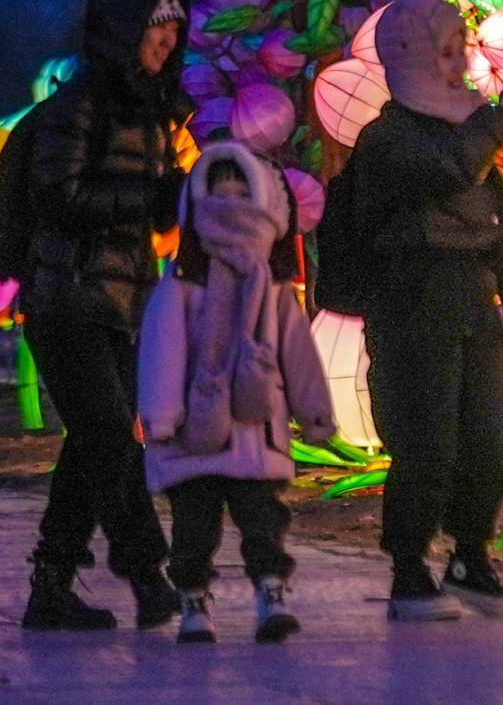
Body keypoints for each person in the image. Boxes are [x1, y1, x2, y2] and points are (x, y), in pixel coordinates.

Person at [350, 0, 503, 622]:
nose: (462, 61)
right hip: (412, 299)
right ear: (414, 55)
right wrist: (502, 115)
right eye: (448, 48)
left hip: (470, 296)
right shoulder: (387, 138)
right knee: (427, 438)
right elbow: (449, 175)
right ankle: (409, 566)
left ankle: (470, 555)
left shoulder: (466, 129)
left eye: (463, 46)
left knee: (491, 435)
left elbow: (487, 219)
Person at [18, 0, 192, 631]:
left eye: (175, 27)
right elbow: (56, 197)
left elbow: (145, 211)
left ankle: (51, 583)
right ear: (124, 30)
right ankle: (148, 572)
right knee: (112, 439)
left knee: (91, 443)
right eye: (156, 26)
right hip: (67, 297)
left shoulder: (149, 109)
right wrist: (145, 201)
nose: (168, 40)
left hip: (120, 301)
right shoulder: (81, 103)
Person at [137, 138, 335, 644]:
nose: (228, 205)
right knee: (196, 525)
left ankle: (268, 591)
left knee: (262, 520)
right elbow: (164, 351)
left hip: (252, 431)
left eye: (238, 193)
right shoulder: (182, 287)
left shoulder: (269, 289)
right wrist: (161, 413)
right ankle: (195, 598)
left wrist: (313, 408)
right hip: (196, 431)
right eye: (218, 193)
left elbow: (298, 354)